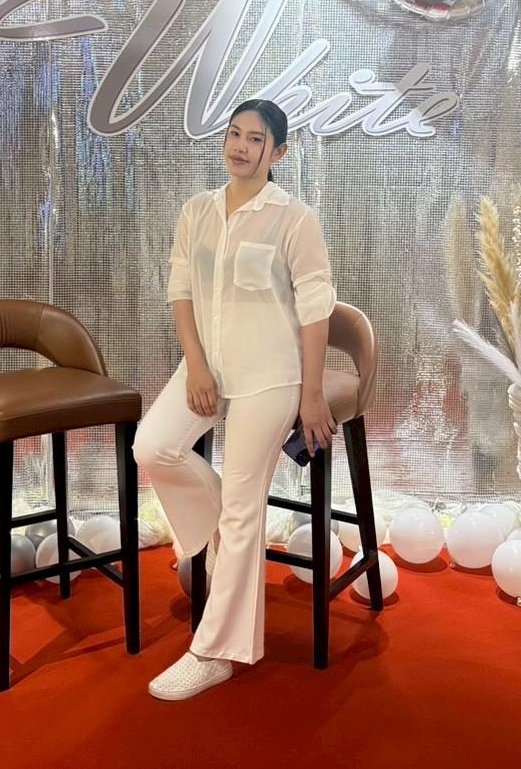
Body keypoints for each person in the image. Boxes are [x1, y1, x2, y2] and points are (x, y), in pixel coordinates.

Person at [133, 98, 337, 701]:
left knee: (245, 506)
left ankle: (214, 653)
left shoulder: (293, 218)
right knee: (153, 447)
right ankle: (222, 527)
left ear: (278, 152)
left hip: (270, 374)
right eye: (234, 134)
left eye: (255, 139)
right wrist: (196, 364)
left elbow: (315, 310)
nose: (241, 147)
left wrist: (312, 394)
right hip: (208, 365)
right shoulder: (197, 211)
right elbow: (181, 291)